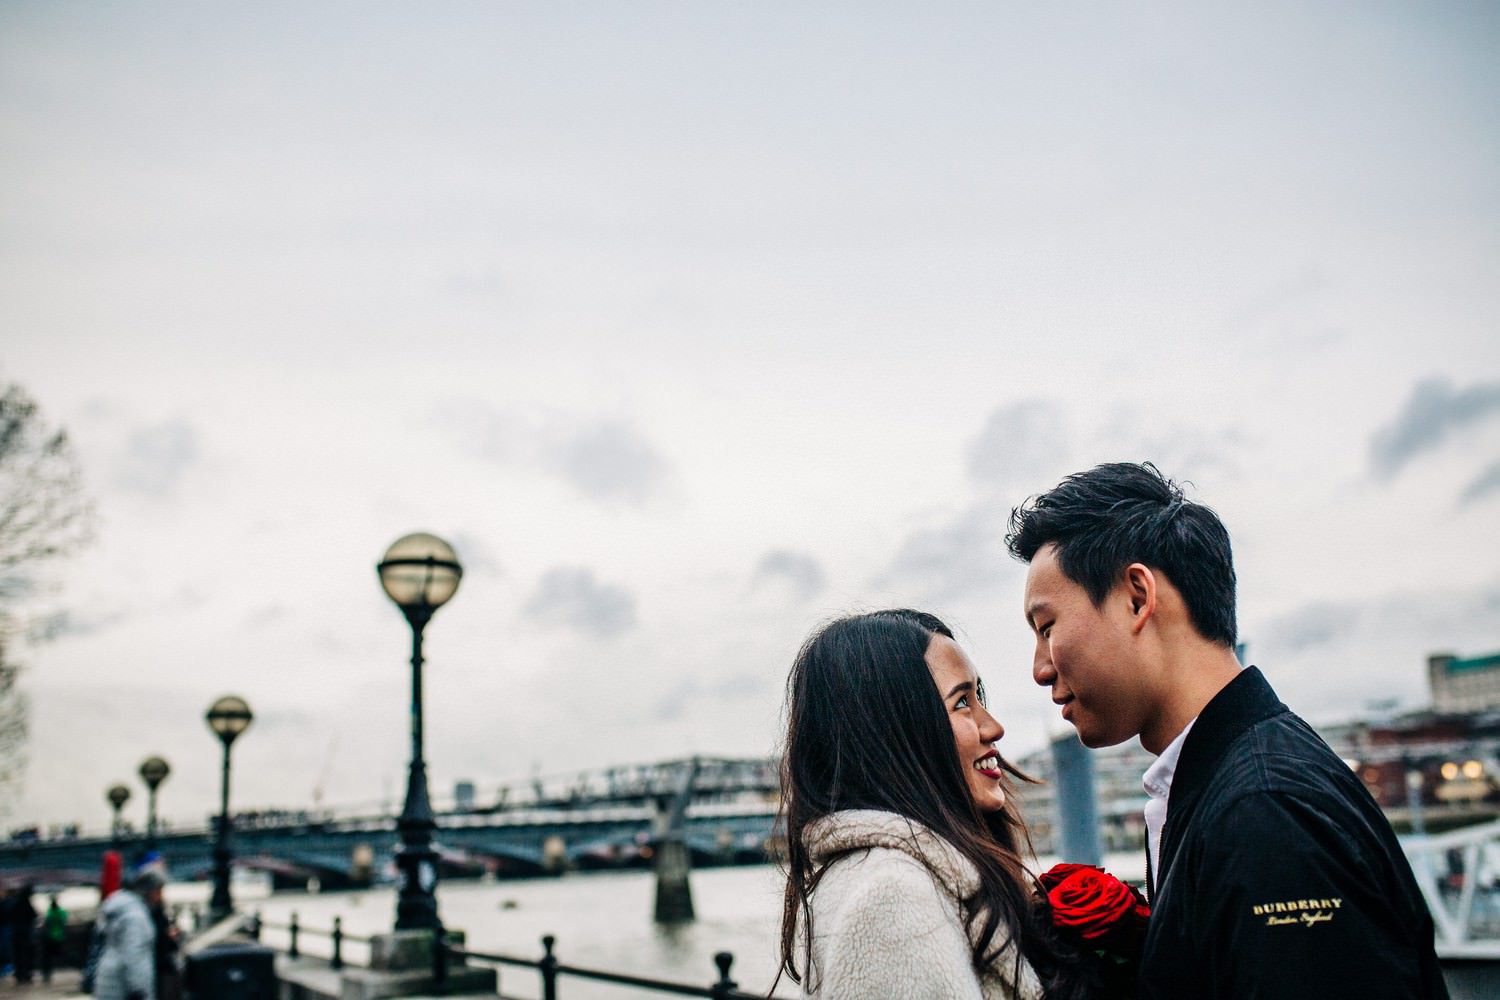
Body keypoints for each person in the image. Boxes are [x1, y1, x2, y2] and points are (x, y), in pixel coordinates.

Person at [1006, 461, 1448, 999]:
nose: (1039, 668)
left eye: (1046, 627)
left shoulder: (1264, 810)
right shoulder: (1239, 784)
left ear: (1138, 598)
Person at [778, 609, 1095, 1000]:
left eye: (978, 696)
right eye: (962, 702)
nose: (993, 726)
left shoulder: (904, 882)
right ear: (895, 735)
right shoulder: (893, 899)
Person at [93, 867, 162, 1000]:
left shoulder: (121, 910)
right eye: (158, 891)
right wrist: (139, 989)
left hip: (109, 980)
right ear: (149, 891)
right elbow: (134, 955)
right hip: (123, 988)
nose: (160, 897)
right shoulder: (136, 917)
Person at [8, 883, 36, 984]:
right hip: (25, 933)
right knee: (26, 954)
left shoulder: (15, 903)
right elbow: (33, 915)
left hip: (16, 933)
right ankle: (26, 974)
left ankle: (19, 974)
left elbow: (10, 916)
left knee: (18, 954)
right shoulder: (26, 903)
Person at [40, 895, 67, 985]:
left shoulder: (50, 913)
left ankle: (47, 973)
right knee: (59, 955)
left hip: (49, 938)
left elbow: (46, 924)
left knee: (48, 957)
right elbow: (64, 921)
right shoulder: (61, 912)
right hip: (59, 936)